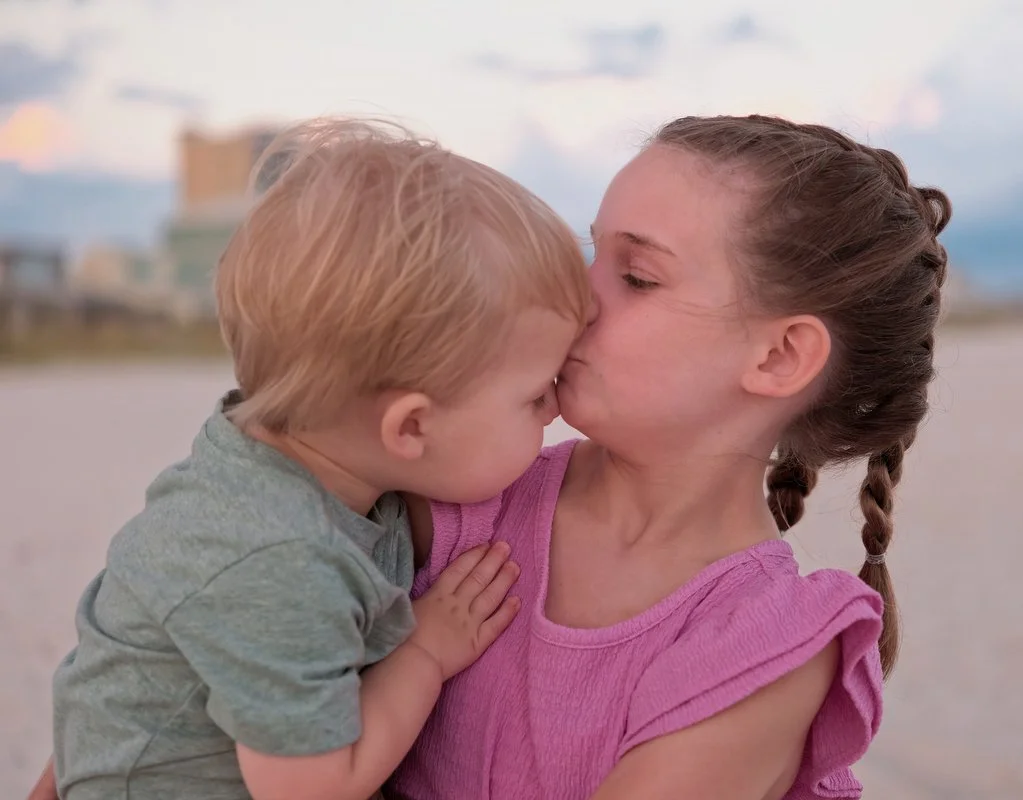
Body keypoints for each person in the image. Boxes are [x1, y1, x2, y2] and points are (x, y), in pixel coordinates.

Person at [386, 114, 951, 799]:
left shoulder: (764, 648)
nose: (574, 296)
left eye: (637, 277)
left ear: (779, 356)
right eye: (590, 254)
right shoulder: (464, 492)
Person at [36, 117, 591, 800]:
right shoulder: (277, 559)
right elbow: (311, 788)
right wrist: (425, 652)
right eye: (534, 396)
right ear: (411, 427)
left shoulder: (289, 463)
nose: (555, 407)